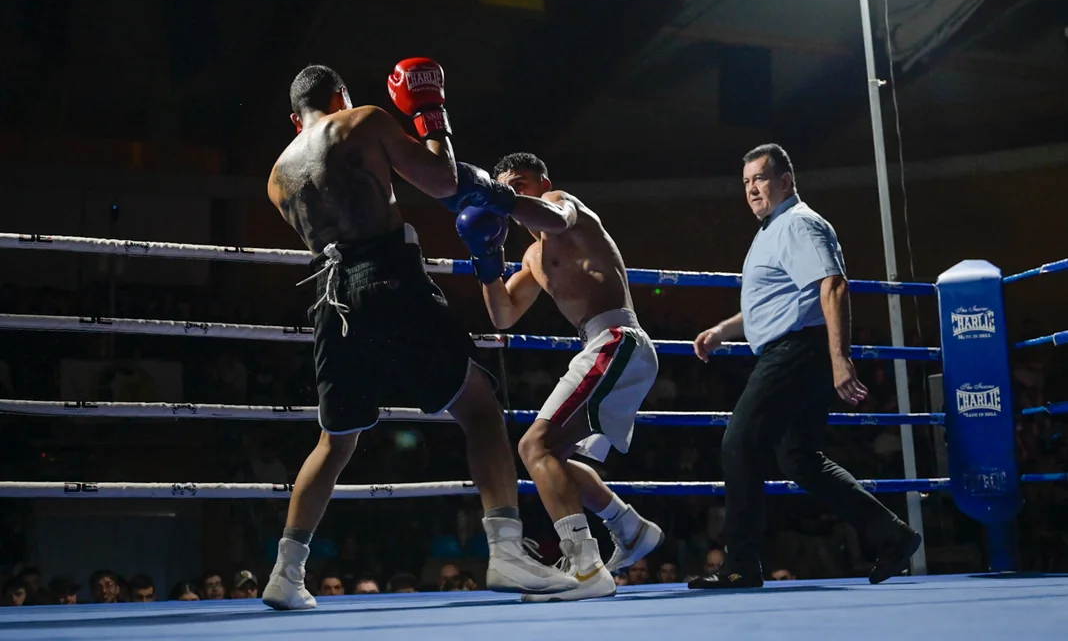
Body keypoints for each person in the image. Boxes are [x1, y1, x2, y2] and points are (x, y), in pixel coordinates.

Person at [261, 62, 576, 611]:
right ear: (341, 96)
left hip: (331, 301)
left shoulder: (276, 178)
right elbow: (443, 181)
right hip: (390, 281)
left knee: (335, 441)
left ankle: (285, 574)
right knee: (480, 410)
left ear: (295, 118)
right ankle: (506, 552)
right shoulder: (361, 121)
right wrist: (431, 114)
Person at [687, 143, 922, 589]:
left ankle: (740, 563)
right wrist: (723, 330)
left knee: (739, 444)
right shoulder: (773, 229)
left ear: (786, 180)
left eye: (760, 178)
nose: (751, 189)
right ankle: (891, 535)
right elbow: (774, 300)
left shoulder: (798, 223)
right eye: (746, 182)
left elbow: (833, 286)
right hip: (796, 351)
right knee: (799, 458)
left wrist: (840, 359)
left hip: (797, 352)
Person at [456, 152, 662, 602]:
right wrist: (486, 260)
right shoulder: (532, 256)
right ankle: (630, 528)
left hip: (617, 339)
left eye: (520, 184)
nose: (513, 193)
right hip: (601, 346)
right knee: (557, 460)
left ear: (543, 183)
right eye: (506, 186)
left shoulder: (562, 206)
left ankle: (586, 568)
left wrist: (496, 196)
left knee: (534, 446)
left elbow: (555, 215)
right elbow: (503, 314)